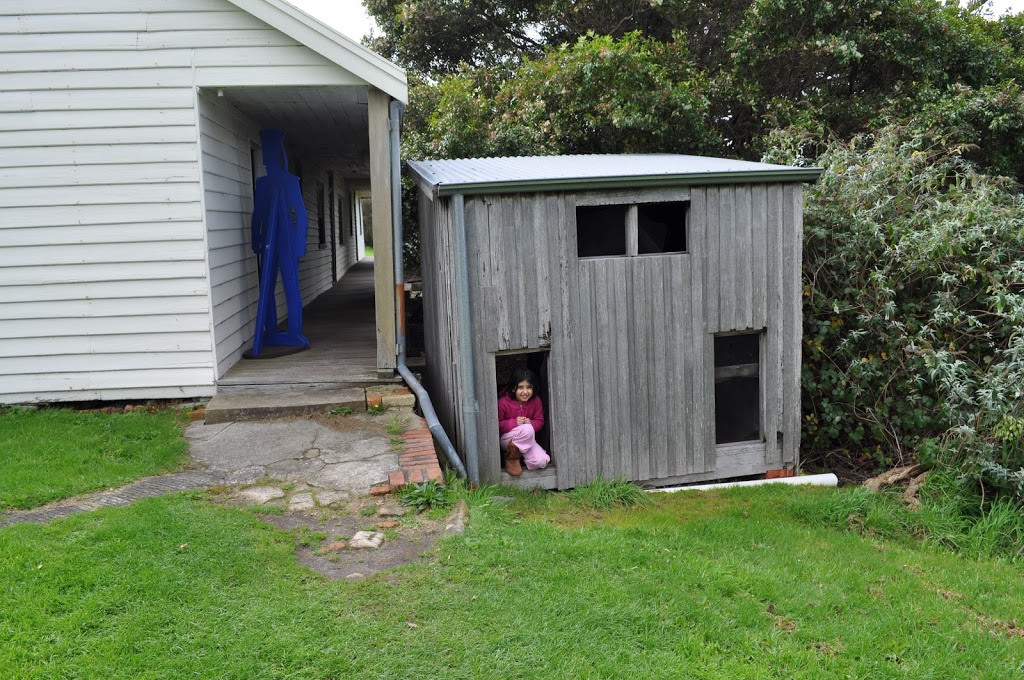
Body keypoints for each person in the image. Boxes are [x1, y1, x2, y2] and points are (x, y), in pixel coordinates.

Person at [497, 368, 550, 476]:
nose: (525, 392)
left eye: (529, 387)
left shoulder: (536, 401)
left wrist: (531, 423)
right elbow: (497, 425)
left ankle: (519, 455)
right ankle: (511, 458)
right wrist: (514, 423)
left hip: (527, 438)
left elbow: (540, 421)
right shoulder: (503, 402)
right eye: (521, 387)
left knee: (542, 461)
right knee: (527, 429)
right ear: (513, 389)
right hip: (506, 440)